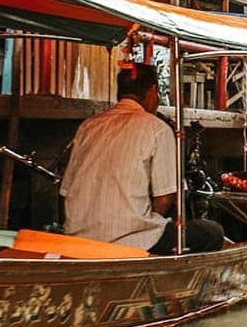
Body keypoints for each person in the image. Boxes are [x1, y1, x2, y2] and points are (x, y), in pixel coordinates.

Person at [61, 63, 224, 253]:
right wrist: (142, 220)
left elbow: (65, 191)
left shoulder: (88, 127)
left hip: (79, 236)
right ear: (153, 91)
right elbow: (164, 199)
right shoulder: (157, 129)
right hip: (132, 239)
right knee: (212, 232)